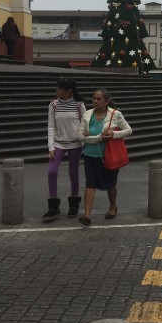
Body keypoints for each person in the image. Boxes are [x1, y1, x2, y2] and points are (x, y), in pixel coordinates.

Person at [77, 89, 132, 226]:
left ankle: (113, 206)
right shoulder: (87, 114)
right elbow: (80, 136)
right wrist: (98, 138)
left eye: (99, 99)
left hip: (109, 156)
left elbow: (128, 130)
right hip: (90, 155)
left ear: (106, 101)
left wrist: (113, 134)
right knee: (90, 184)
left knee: (110, 185)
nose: (95, 101)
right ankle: (87, 215)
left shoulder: (115, 114)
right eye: (93, 98)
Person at [43, 77, 86, 221]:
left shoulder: (79, 105)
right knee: (52, 171)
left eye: (60, 88)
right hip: (58, 143)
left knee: (73, 173)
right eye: (57, 88)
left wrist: (83, 142)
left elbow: (84, 125)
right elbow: (51, 126)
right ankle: (53, 206)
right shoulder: (53, 105)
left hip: (75, 143)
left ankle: (74, 203)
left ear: (69, 91)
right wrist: (51, 146)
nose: (57, 90)